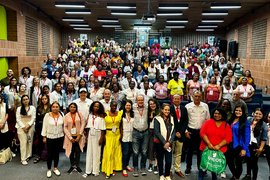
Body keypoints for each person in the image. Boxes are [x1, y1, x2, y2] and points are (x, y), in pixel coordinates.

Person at [198, 108, 232, 180]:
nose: (217, 115)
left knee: (215, 169)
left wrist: (219, 146)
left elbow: (228, 138)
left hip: (219, 151)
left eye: (219, 114)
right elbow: (202, 133)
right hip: (206, 149)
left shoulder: (226, 125)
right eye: (215, 113)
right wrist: (209, 143)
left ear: (222, 115)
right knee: (203, 168)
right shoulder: (208, 122)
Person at [185, 91, 210, 175]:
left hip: (202, 132)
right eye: (195, 96)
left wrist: (207, 133)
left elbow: (207, 120)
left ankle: (201, 168)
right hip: (191, 131)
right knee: (189, 151)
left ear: (201, 97)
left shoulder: (205, 106)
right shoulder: (188, 106)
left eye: (199, 96)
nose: (197, 98)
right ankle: (188, 167)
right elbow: (184, 120)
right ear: (192, 96)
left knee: (201, 151)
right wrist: (186, 131)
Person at [242, 108, 268, 180]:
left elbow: (263, 138)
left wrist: (260, 149)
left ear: (263, 115)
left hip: (255, 145)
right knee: (248, 160)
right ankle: (248, 175)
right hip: (247, 143)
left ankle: (254, 177)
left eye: (260, 114)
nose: (258, 115)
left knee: (254, 163)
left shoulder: (264, 125)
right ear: (254, 113)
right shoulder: (249, 119)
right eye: (256, 113)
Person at [83, 101, 106, 178]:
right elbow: (88, 128)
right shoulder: (90, 115)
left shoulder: (101, 116)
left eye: (97, 107)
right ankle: (88, 171)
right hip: (90, 135)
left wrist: (101, 138)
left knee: (97, 153)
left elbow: (103, 129)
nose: (96, 108)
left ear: (100, 108)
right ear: (92, 106)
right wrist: (87, 137)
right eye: (94, 106)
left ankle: (96, 171)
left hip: (98, 134)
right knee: (89, 153)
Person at [227, 105, 250, 180]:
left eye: (240, 111)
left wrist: (244, 149)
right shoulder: (231, 119)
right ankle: (235, 176)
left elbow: (247, 137)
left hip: (239, 145)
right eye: (236, 110)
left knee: (238, 163)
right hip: (230, 144)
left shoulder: (245, 123)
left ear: (243, 112)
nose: (238, 112)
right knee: (229, 162)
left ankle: (236, 177)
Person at [41, 102, 64, 178]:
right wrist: (44, 136)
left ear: (59, 108)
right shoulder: (47, 115)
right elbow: (44, 126)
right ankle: (49, 169)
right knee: (50, 154)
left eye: (57, 107)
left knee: (57, 153)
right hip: (50, 137)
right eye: (53, 107)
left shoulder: (61, 115)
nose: (55, 108)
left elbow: (63, 125)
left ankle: (55, 168)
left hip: (59, 136)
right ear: (51, 108)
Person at [154, 103, 176, 180]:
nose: (167, 111)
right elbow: (157, 132)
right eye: (165, 110)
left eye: (168, 110)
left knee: (169, 160)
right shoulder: (157, 118)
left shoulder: (172, 118)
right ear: (162, 110)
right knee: (160, 159)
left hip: (168, 143)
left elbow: (174, 132)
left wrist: (169, 143)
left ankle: (167, 174)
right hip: (159, 143)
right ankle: (161, 174)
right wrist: (164, 143)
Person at [102, 101, 123, 178]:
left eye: (115, 106)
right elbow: (102, 124)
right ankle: (108, 170)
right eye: (112, 106)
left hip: (117, 134)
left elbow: (121, 125)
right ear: (110, 106)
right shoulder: (105, 114)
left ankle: (114, 168)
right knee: (108, 153)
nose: (114, 107)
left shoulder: (119, 114)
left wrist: (121, 134)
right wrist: (103, 135)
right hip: (108, 134)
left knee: (116, 152)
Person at [169, 94, 188, 178]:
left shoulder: (184, 109)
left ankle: (177, 169)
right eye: (175, 99)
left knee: (178, 153)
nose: (177, 100)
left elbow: (185, 122)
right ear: (173, 100)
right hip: (171, 135)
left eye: (178, 99)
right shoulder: (169, 109)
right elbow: (168, 122)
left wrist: (181, 132)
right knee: (170, 153)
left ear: (181, 100)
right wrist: (175, 132)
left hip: (181, 135)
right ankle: (169, 170)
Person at [64, 103, 85, 174]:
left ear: (76, 108)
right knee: (71, 151)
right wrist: (70, 137)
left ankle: (77, 165)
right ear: (69, 108)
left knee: (77, 151)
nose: (73, 108)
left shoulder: (79, 114)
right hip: (70, 137)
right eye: (71, 107)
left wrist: (80, 135)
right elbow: (65, 127)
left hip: (78, 136)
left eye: (74, 107)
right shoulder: (66, 116)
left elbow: (83, 124)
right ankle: (72, 165)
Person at [16, 95, 36, 165]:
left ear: (29, 100)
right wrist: (24, 127)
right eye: (24, 99)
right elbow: (18, 119)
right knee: (23, 142)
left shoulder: (32, 108)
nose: (25, 101)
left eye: (26, 99)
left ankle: (28, 155)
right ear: (22, 101)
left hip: (30, 126)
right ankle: (23, 158)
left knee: (29, 141)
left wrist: (28, 126)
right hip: (21, 126)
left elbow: (33, 118)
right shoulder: (19, 108)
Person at [132, 95, 149, 177]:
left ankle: (142, 168)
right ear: (136, 101)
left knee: (144, 152)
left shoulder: (147, 107)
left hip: (145, 132)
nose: (140, 101)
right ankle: (135, 168)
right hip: (135, 132)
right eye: (139, 100)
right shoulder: (133, 107)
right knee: (135, 152)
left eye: (142, 100)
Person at [34, 94, 50, 164]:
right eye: (43, 99)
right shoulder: (39, 107)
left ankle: (48, 155)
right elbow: (38, 118)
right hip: (40, 126)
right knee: (40, 141)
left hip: (49, 126)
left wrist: (42, 116)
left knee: (49, 141)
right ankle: (39, 155)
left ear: (48, 99)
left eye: (45, 99)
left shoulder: (50, 107)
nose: (44, 100)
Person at [121, 100, 135, 177]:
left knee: (130, 152)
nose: (128, 107)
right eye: (127, 105)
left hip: (132, 136)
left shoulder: (133, 114)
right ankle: (124, 168)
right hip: (124, 136)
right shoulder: (121, 114)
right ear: (124, 106)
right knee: (125, 152)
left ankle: (127, 165)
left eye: (129, 105)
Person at [147, 99, 160, 174]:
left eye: (153, 103)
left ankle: (156, 165)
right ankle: (150, 164)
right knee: (150, 148)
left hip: (157, 132)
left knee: (157, 148)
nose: (152, 105)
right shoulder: (147, 112)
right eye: (151, 104)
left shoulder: (159, 112)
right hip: (149, 131)